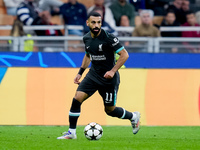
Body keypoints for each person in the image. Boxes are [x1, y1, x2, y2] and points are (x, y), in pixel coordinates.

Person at [57, 11, 141, 140]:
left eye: (99, 22)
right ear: (88, 23)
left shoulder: (109, 38)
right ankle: (71, 132)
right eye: (93, 22)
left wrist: (113, 71)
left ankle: (133, 117)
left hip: (109, 79)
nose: (96, 25)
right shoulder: (86, 38)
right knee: (77, 98)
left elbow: (125, 54)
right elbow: (88, 55)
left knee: (110, 110)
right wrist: (80, 73)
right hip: (93, 74)